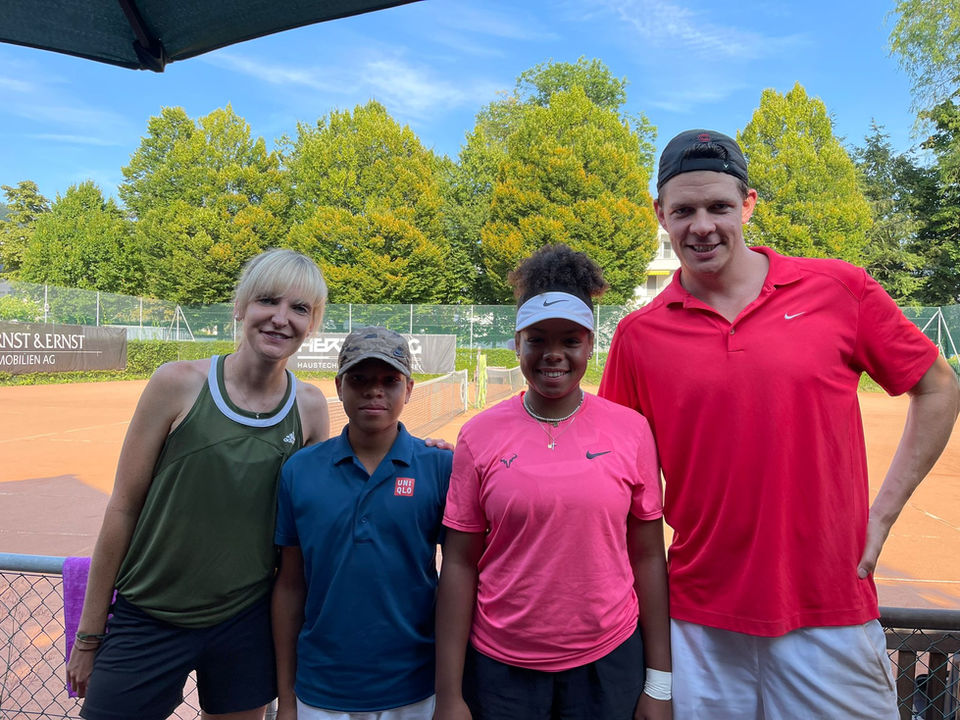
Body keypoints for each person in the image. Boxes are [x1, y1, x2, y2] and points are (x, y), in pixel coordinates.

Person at [599, 129, 960, 719]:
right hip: (698, 622)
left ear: (747, 205)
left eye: (719, 207)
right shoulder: (639, 336)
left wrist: (882, 515)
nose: (702, 226)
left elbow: (938, 386)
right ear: (660, 214)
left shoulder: (839, 288)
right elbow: (609, 466)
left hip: (830, 611)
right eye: (684, 211)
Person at [66, 248, 330, 720]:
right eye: (267, 300)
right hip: (148, 615)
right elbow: (123, 507)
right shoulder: (176, 383)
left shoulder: (310, 408)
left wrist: (418, 455)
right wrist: (89, 635)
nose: (281, 318)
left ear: (312, 323)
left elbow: (309, 522)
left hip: (245, 622)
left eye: (299, 308)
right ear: (241, 307)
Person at [434, 244, 672, 720]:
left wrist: (660, 685)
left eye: (570, 340)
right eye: (537, 339)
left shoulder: (631, 430)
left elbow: (648, 555)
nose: (554, 354)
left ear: (590, 345)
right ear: (517, 344)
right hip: (500, 671)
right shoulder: (477, 435)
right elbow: (458, 564)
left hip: (609, 664)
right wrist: (449, 695)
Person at [272, 326, 452, 720]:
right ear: (339, 386)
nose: (374, 391)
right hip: (321, 690)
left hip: (416, 688)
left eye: (390, 380)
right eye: (359, 379)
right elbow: (290, 584)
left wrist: (450, 692)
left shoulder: (441, 466)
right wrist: (286, 699)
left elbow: (460, 575)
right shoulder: (300, 470)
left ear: (409, 389)